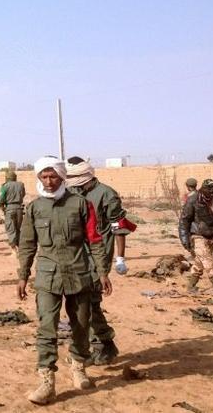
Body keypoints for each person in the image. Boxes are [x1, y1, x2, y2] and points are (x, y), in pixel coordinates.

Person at [17, 156, 110, 405]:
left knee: (81, 324)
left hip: (79, 275)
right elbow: (26, 244)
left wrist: (103, 271)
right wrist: (22, 276)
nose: (48, 182)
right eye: (43, 177)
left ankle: (79, 367)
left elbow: (95, 239)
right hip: (47, 278)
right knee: (47, 327)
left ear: (62, 177)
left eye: (53, 176)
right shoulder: (34, 208)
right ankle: (47, 381)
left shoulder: (80, 204)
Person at [66, 156, 137, 365]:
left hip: (98, 257)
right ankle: (103, 343)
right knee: (81, 302)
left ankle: (100, 345)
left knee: (90, 302)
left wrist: (120, 258)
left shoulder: (106, 194)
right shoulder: (74, 193)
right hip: (78, 256)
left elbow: (119, 227)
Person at [179, 179, 213, 293]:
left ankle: (191, 287)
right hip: (197, 236)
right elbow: (184, 221)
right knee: (209, 263)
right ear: (204, 189)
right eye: (210, 190)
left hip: (211, 236)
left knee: (198, 264)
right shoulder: (193, 200)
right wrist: (184, 239)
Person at [0, 171, 26, 255]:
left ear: (7, 178)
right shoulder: (21, 185)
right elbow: (23, 194)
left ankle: (14, 250)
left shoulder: (5, 186)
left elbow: (0, 199)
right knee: (18, 229)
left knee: (10, 229)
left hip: (10, 209)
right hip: (19, 209)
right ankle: (20, 247)